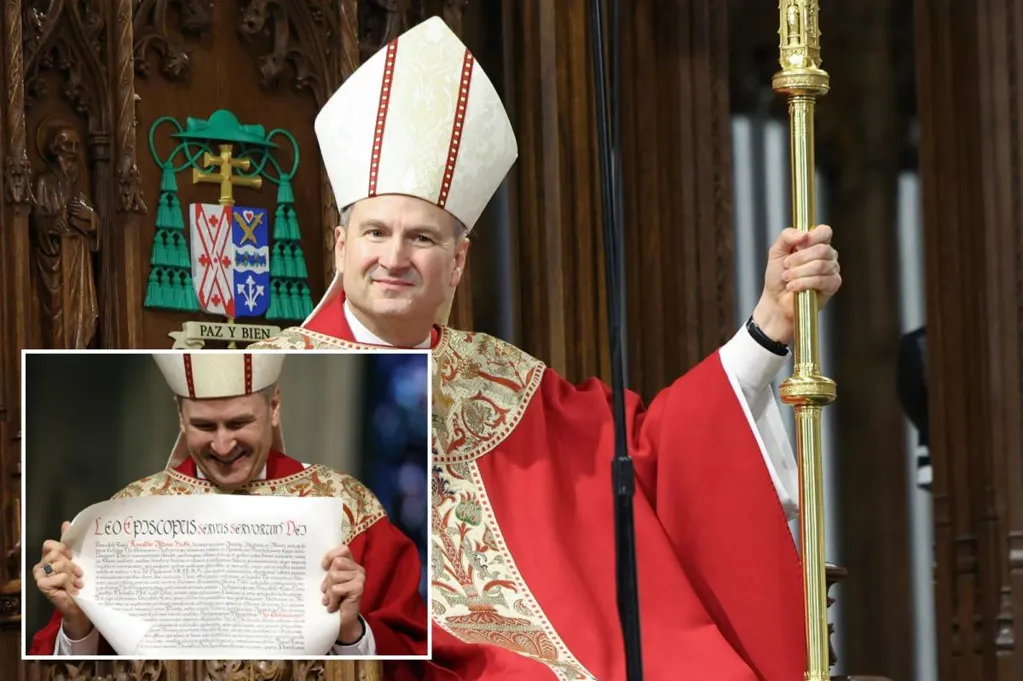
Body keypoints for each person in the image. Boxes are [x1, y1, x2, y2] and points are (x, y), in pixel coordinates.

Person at [253, 16, 842, 681]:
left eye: (420, 238)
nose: (394, 257)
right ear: (339, 245)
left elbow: (646, 455)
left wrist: (767, 324)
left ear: (458, 261)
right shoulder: (261, 383)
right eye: (376, 232)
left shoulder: (499, 378)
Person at [28, 353, 428, 657]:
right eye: (204, 426)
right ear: (180, 418)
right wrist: (77, 621)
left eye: (238, 423)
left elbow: (415, 657)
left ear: (273, 408)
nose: (222, 446)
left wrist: (350, 630)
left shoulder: (347, 509)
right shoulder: (130, 514)